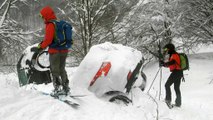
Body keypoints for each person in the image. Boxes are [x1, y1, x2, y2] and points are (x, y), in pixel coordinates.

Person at [32, 6, 70, 95]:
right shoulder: (58, 23)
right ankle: (66, 87)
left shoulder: (50, 25)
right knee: (62, 69)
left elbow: (48, 40)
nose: (42, 18)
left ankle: (58, 88)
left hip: (55, 51)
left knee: (54, 70)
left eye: (42, 16)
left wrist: (40, 47)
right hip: (64, 50)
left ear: (46, 15)